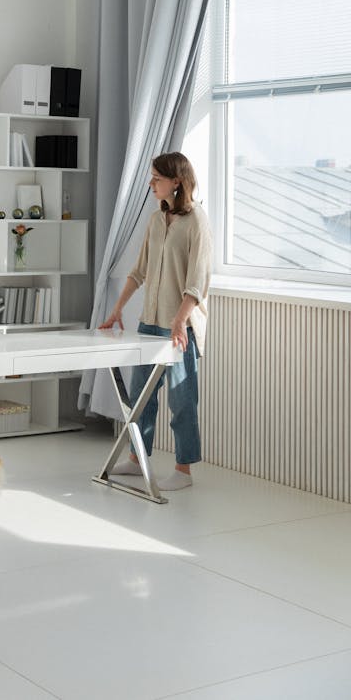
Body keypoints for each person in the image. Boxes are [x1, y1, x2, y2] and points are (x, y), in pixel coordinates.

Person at [99, 152, 211, 491]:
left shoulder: (197, 222)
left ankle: (183, 469)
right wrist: (118, 309)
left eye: (156, 179)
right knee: (139, 398)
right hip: (150, 322)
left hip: (180, 326)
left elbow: (197, 281)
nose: (151, 184)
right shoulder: (155, 220)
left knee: (181, 399)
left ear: (176, 181)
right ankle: (137, 459)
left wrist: (179, 322)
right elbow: (139, 271)